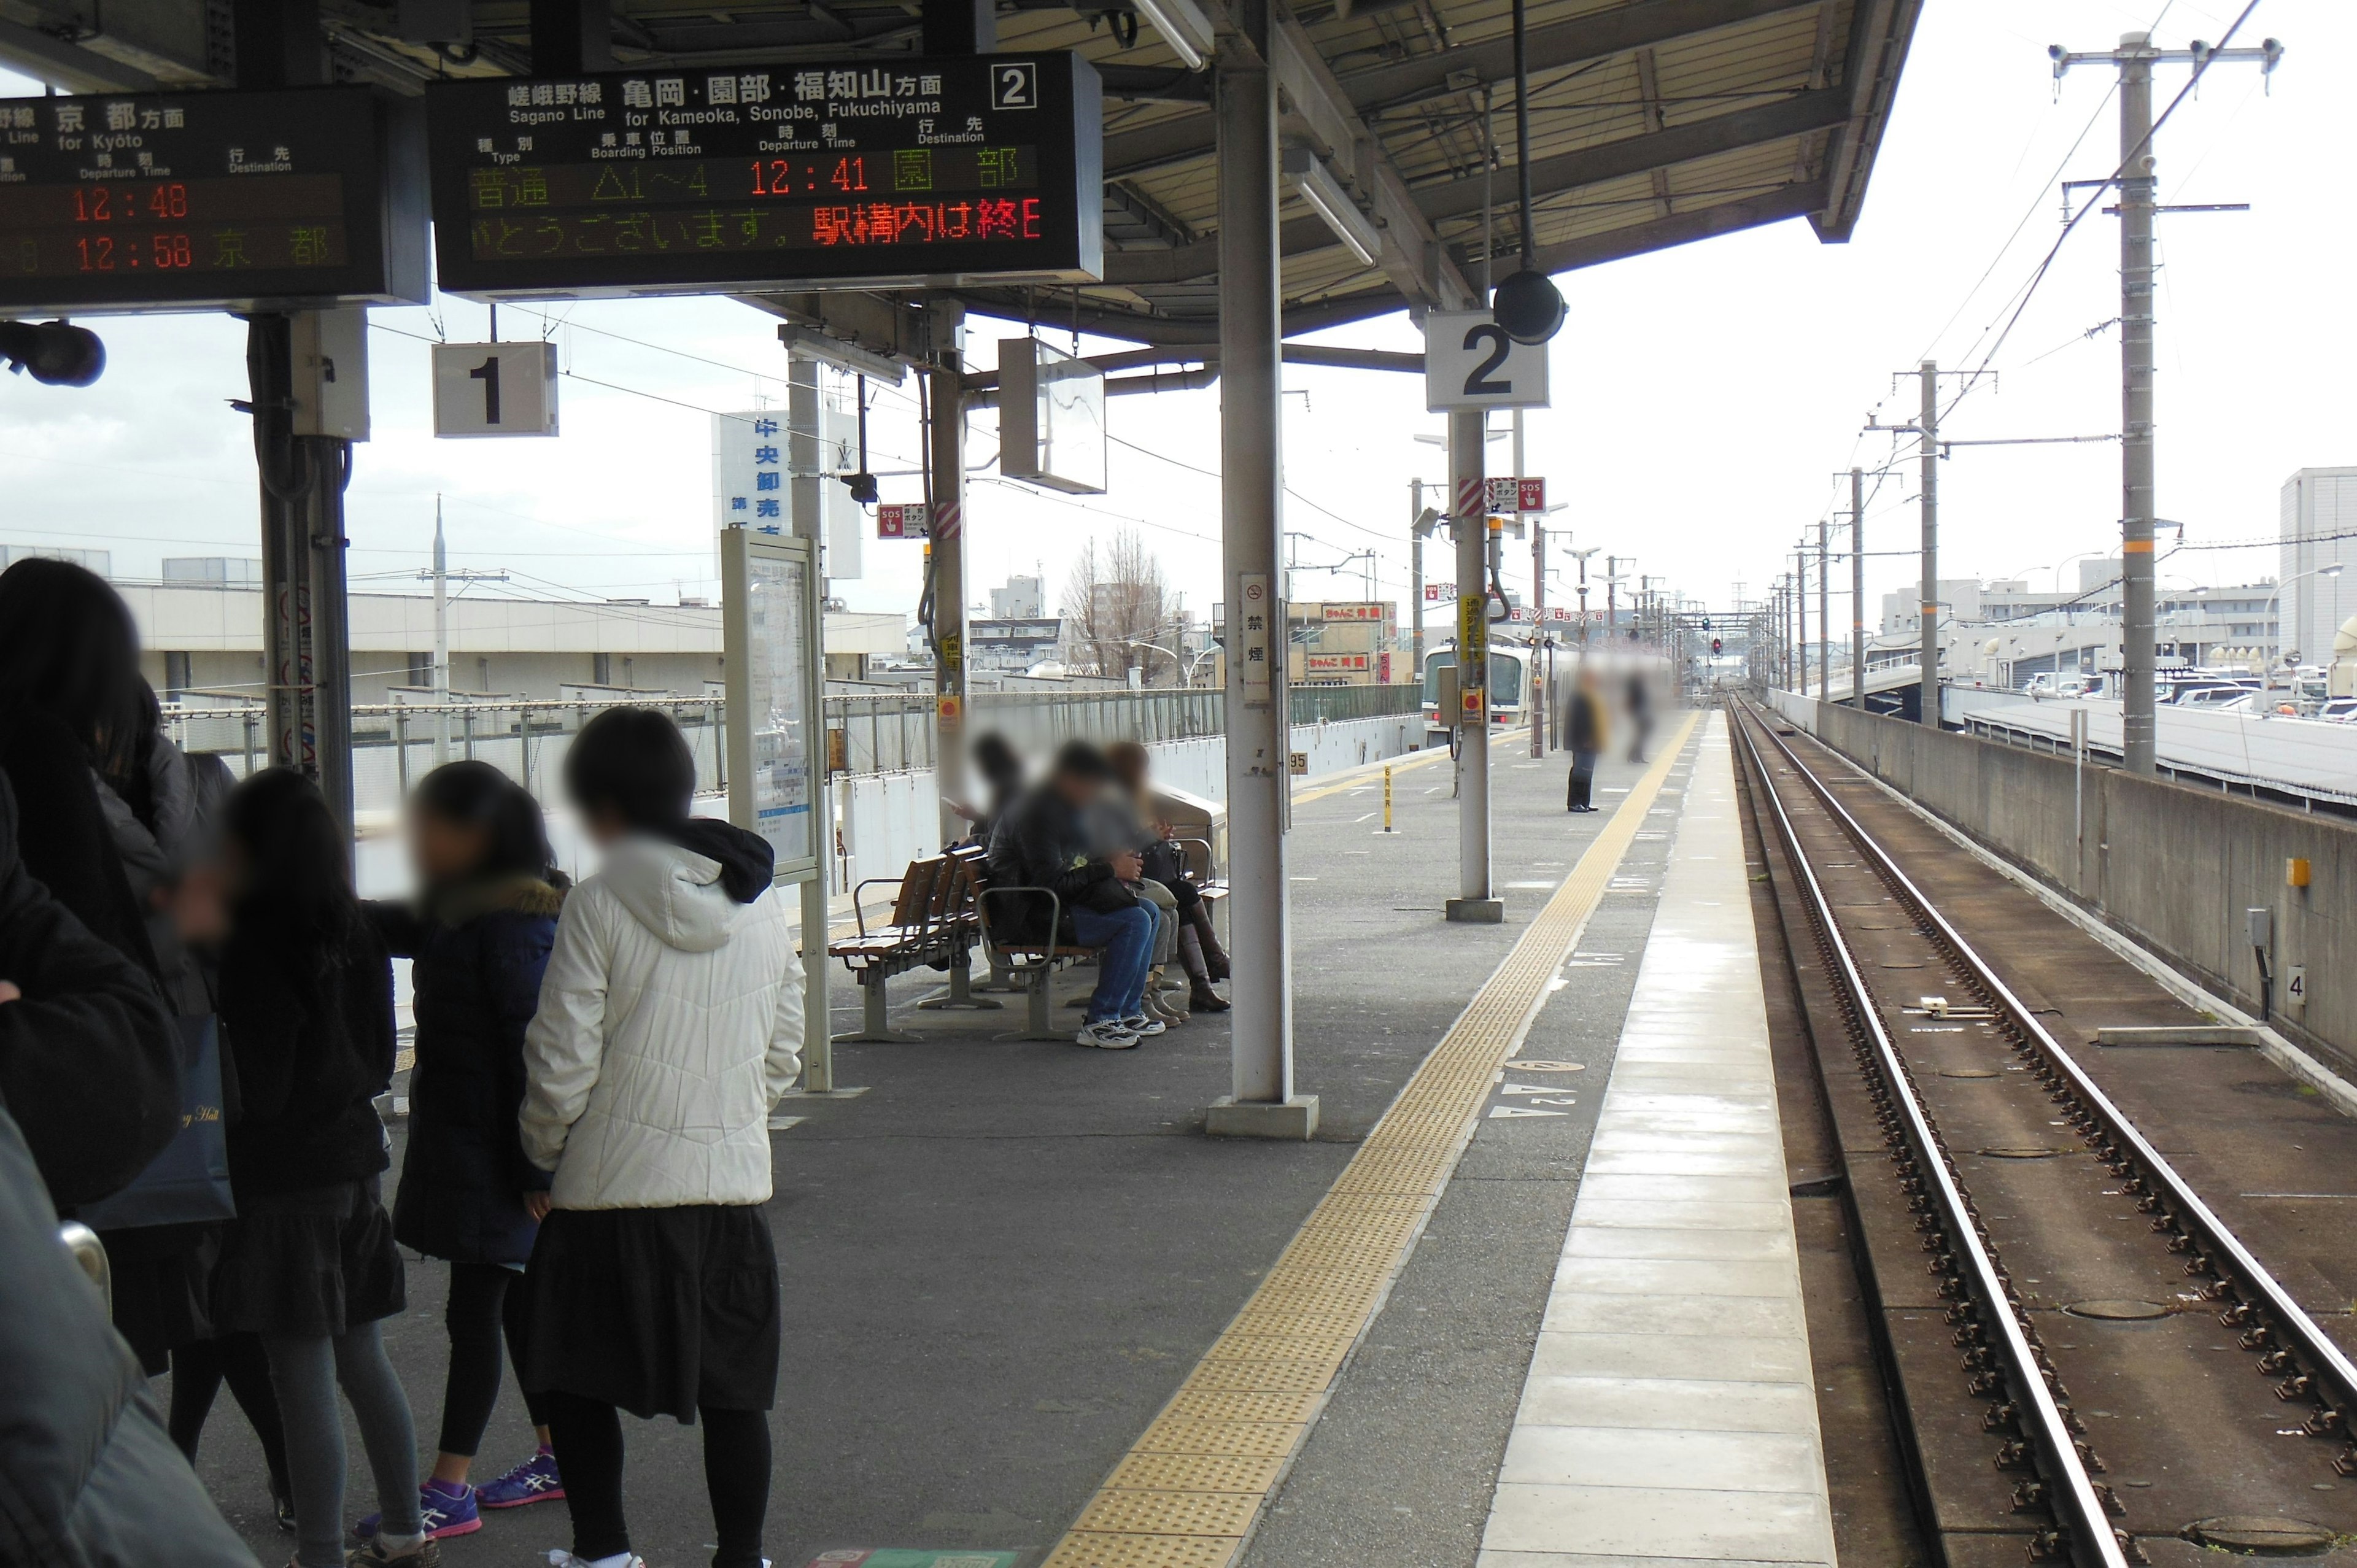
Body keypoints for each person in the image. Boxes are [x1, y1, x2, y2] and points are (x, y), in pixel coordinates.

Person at [0, 558, 293, 1520]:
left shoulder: (46, 762)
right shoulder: (174, 775)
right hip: (166, 1103)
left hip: (92, 1131)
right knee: (160, 1349)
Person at [515, 707, 802, 1568]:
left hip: (609, 1191)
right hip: (730, 1191)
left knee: (570, 1373)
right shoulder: (759, 898)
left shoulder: (598, 900)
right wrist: (730, 1117)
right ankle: (741, 1556)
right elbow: (785, 1045)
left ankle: (604, 1551)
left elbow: (561, 1056)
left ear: (603, 807)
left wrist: (541, 1150)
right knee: (735, 1391)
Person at [209, 768, 434, 1568]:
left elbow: (262, 1091)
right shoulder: (357, 925)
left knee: (300, 1378)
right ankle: (407, 1528)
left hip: (284, 1179)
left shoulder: (256, 940)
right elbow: (378, 1049)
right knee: (361, 1357)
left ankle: (320, 1552)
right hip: (357, 1158)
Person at [355, 762, 567, 1542]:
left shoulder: (514, 922)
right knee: (510, 1307)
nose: (417, 838)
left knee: (475, 1311)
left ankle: (449, 1487)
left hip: (499, 1151)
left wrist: (538, 1167)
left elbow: (531, 1049)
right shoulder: (471, 907)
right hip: (482, 1142)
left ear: (474, 834)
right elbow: (392, 922)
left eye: (430, 825)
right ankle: (557, 1454)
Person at [987, 741, 1159, 1049]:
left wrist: (1112, 860)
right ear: (1068, 779)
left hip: (1056, 906)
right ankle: (1101, 1020)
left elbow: (1076, 865)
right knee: (1135, 921)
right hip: (1032, 914)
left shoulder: (1060, 810)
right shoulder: (1036, 817)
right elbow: (1051, 886)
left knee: (1149, 910)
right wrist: (1109, 869)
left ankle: (1128, 1011)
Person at [1105, 741, 1231, 1015]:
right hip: (1122, 882)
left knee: (1179, 899)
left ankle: (1199, 984)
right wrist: (1151, 837)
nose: (1147, 775)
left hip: (1138, 875)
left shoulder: (1131, 799)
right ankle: (1209, 971)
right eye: (1143, 769)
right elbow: (1114, 848)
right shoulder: (1112, 800)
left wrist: (1156, 836)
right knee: (1178, 897)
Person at [1566, 668, 1607, 814]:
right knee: (1580, 771)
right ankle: (1575, 803)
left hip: (1592, 740)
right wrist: (1587, 739)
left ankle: (1585, 802)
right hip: (1583, 741)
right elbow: (1579, 720)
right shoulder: (1580, 695)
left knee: (1588, 772)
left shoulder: (1591, 694)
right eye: (1592, 678)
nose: (1595, 680)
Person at [1625, 668, 1653, 764]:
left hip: (1640, 713)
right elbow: (1634, 700)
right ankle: (1635, 755)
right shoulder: (1635, 686)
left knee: (1641, 736)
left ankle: (1635, 755)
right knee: (1641, 736)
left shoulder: (1637, 685)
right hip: (1639, 713)